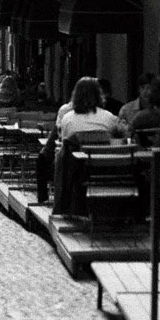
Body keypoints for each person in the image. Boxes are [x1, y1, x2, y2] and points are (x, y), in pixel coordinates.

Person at [53, 76, 124, 216]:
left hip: (75, 173)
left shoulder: (68, 119)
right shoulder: (109, 118)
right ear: (99, 95)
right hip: (103, 171)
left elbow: (63, 140)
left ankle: (63, 205)